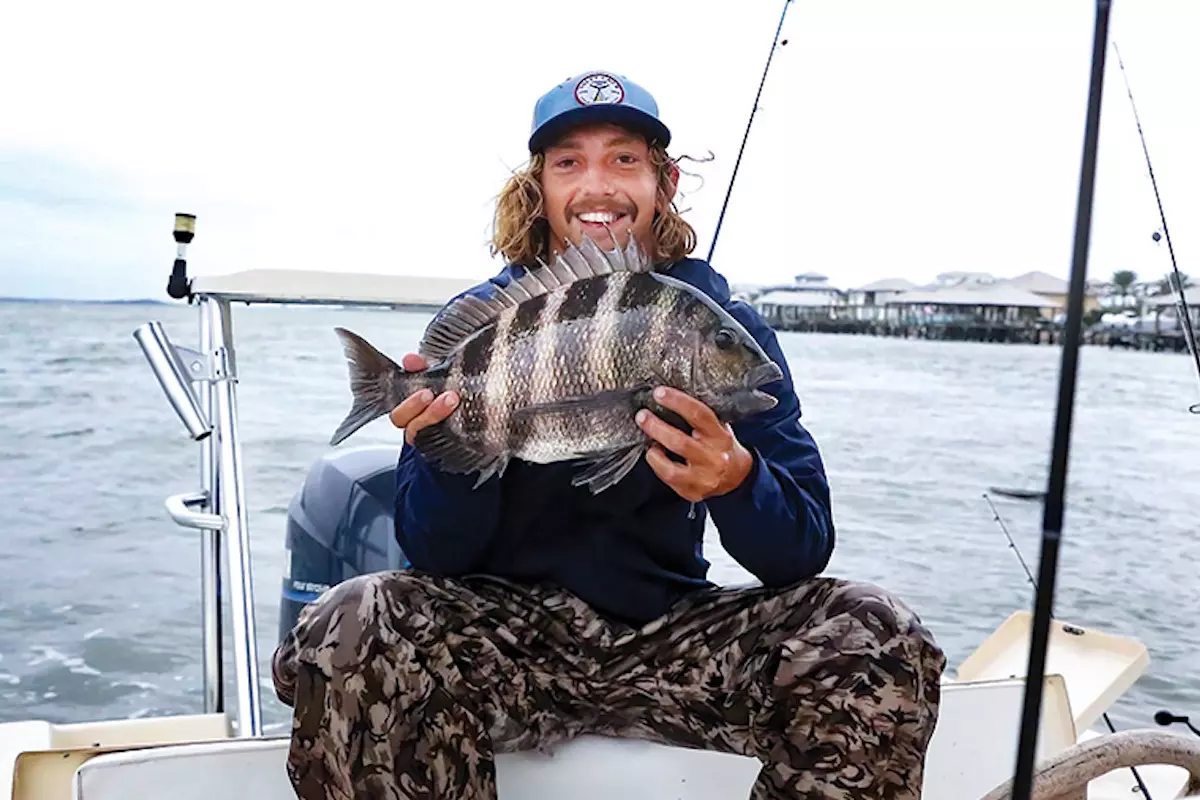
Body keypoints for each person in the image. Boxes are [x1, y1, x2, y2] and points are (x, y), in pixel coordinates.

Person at [272, 69, 946, 800]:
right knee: (353, 619)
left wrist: (737, 481)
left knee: (875, 630)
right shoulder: (486, 328)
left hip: (669, 637)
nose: (598, 185)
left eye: (624, 158)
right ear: (539, 186)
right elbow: (436, 553)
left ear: (664, 180)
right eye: (569, 162)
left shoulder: (727, 332)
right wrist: (448, 451)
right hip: (500, 644)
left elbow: (804, 548)